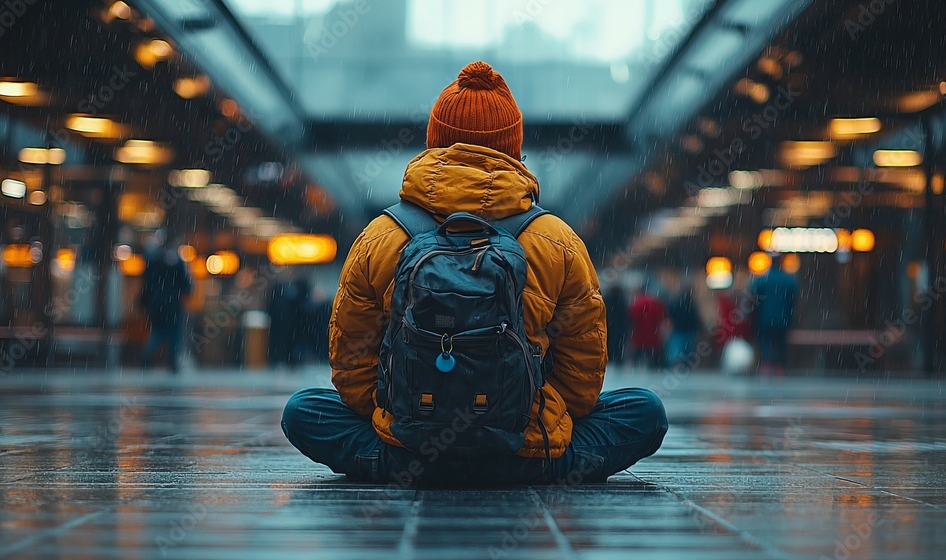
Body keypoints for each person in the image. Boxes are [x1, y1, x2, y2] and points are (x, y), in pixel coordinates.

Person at [281, 61, 667, 485]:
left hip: (407, 449)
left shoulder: (382, 235)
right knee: (645, 412)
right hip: (524, 450)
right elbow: (583, 379)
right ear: (514, 150)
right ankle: (537, 464)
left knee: (303, 412)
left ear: (433, 144)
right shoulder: (557, 239)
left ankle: (395, 463)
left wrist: (398, 417)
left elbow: (350, 364)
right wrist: (526, 423)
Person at [139, 232, 192, 372]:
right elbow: (185, 284)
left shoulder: (153, 260)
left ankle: (146, 356)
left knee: (158, 332)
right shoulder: (177, 262)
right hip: (173, 303)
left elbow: (146, 281)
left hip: (156, 303)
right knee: (175, 333)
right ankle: (172, 361)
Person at [749, 254, 799, 375]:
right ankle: (779, 366)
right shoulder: (789, 280)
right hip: (783, 318)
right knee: (780, 342)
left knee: (765, 341)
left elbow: (753, 297)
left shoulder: (762, 280)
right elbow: (793, 299)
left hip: (764, 318)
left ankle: (766, 363)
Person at [628, 281, 667, 369]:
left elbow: (631, 320)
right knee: (653, 361)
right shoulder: (657, 304)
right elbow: (662, 319)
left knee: (636, 359)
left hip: (639, 335)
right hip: (653, 335)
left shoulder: (637, 304)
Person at [666, 284, 701, 367]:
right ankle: (683, 364)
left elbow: (671, 316)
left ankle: (677, 364)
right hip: (687, 330)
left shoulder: (676, 303)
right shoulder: (691, 304)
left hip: (679, 330)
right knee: (686, 351)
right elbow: (695, 318)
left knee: (677, 351)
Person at [603, 284, 631, 365]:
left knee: (607, 346)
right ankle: (617, 360)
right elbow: (625, 317)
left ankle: (609, 360)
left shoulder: (606, 300)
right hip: (619, 329)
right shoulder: (622, 302)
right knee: (618, 347)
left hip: (608, 327)